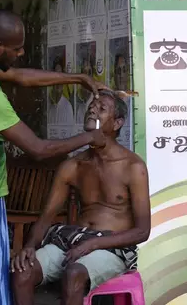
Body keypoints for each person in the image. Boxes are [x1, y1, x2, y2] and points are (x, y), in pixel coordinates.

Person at [0, 9, 112, 305]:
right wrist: (91, 137)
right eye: (16, 48)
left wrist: (77, 78)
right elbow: (39, 149)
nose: (22, 53)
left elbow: (20, 77)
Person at [11, 90, 150, 305]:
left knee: (73, 273)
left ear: (117, 123)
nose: (92, 110)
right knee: (22, 270)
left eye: (101, 109)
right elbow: (47, 216)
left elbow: (142, 231)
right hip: (72, 241)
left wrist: (94, 244)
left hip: (110, 247)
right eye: (91, 107)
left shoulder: (133, 167)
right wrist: (29, 245)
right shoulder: (72, 166)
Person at [48, 56, 75, 125]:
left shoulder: (68, 107)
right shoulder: (46, 104)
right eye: (55, 76)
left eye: (60, 76)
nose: (58, 80)